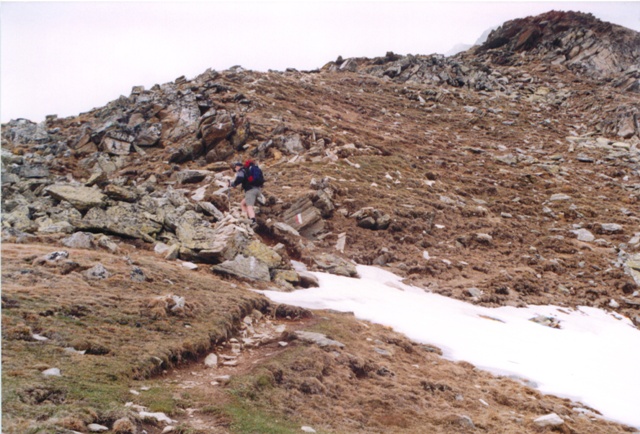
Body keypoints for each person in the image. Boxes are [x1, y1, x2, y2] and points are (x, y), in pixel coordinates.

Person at [229, 160, 263, 225]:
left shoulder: (241, 171)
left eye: (235, 167)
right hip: (258, 190)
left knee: (249, 206)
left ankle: (253, 221)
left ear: (238, 166)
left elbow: (240, 178)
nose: (235, 169)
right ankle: (245, 217)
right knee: (243, 203)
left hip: (250, 191)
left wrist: (232, 184)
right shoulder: (249, 170)